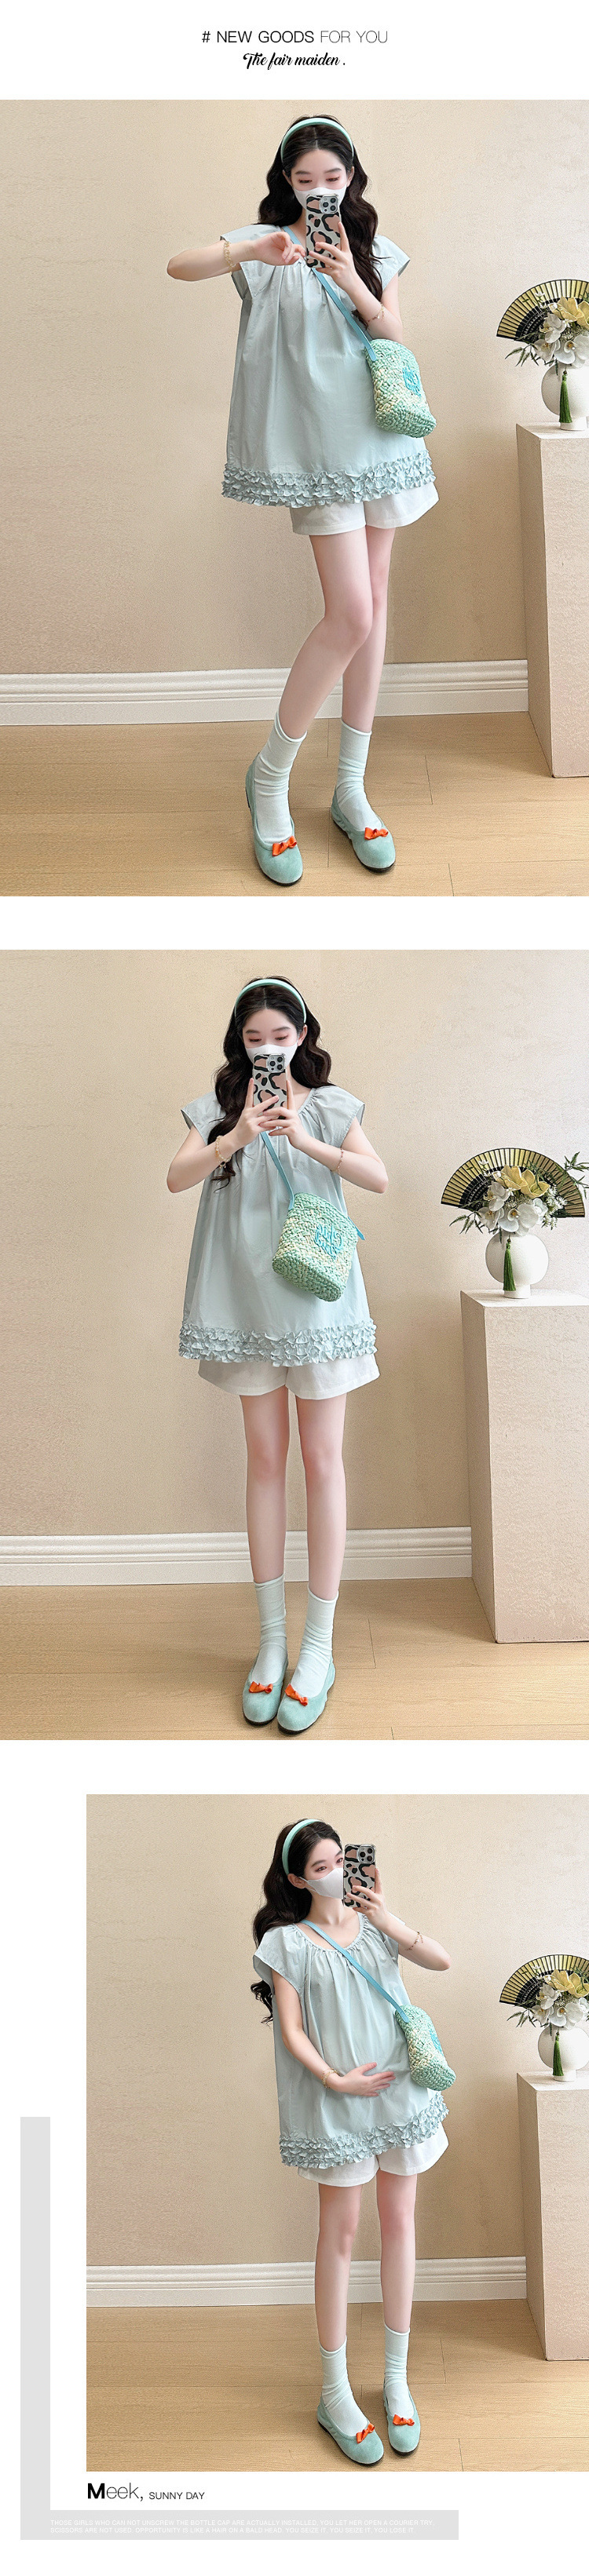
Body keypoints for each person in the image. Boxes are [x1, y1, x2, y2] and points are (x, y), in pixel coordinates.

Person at [167, 115, 437, 882]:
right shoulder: (265, 247)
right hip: (317, 454)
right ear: (286, 182)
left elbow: (394, 339)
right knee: (350, 613)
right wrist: (251, 249)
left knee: (373, 605)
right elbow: (179, 266)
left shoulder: (374, 249)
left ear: (351, 178)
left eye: (333, 179)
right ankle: (269, 779)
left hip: (382, 441)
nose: (321, 191)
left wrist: (351, 277)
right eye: (305, 179)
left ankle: (351, 788)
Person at [167, 977, 387, 1730]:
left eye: (280, 1037)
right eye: (255, 1038)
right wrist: (236, 1137)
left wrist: (304, 1139)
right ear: (241, 1042)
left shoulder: (328, 1105)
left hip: (318, 1302)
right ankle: (271, 1645)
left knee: (323, 1462)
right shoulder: (219, 1109)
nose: (268, 1050)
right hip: (244, 1303)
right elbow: (176, 1178)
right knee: (264, 1461)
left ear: (303, 1037)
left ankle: (317, 1648)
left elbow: (378, 1177)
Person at [252, 1819, 452, 2463]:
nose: (337, 1872)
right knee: (337, 2238)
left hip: (401, 2092)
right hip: (341, 2102)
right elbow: (290, 2030)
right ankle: (334, 2394)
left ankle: (396, 2381)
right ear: (295, 1878)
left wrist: (387, 1917)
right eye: (321, 1867)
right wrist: (336, 2080)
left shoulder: (375, 1924)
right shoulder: (286, 1943)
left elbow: (441, 1960)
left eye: (341, 1859)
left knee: (400, 2225)